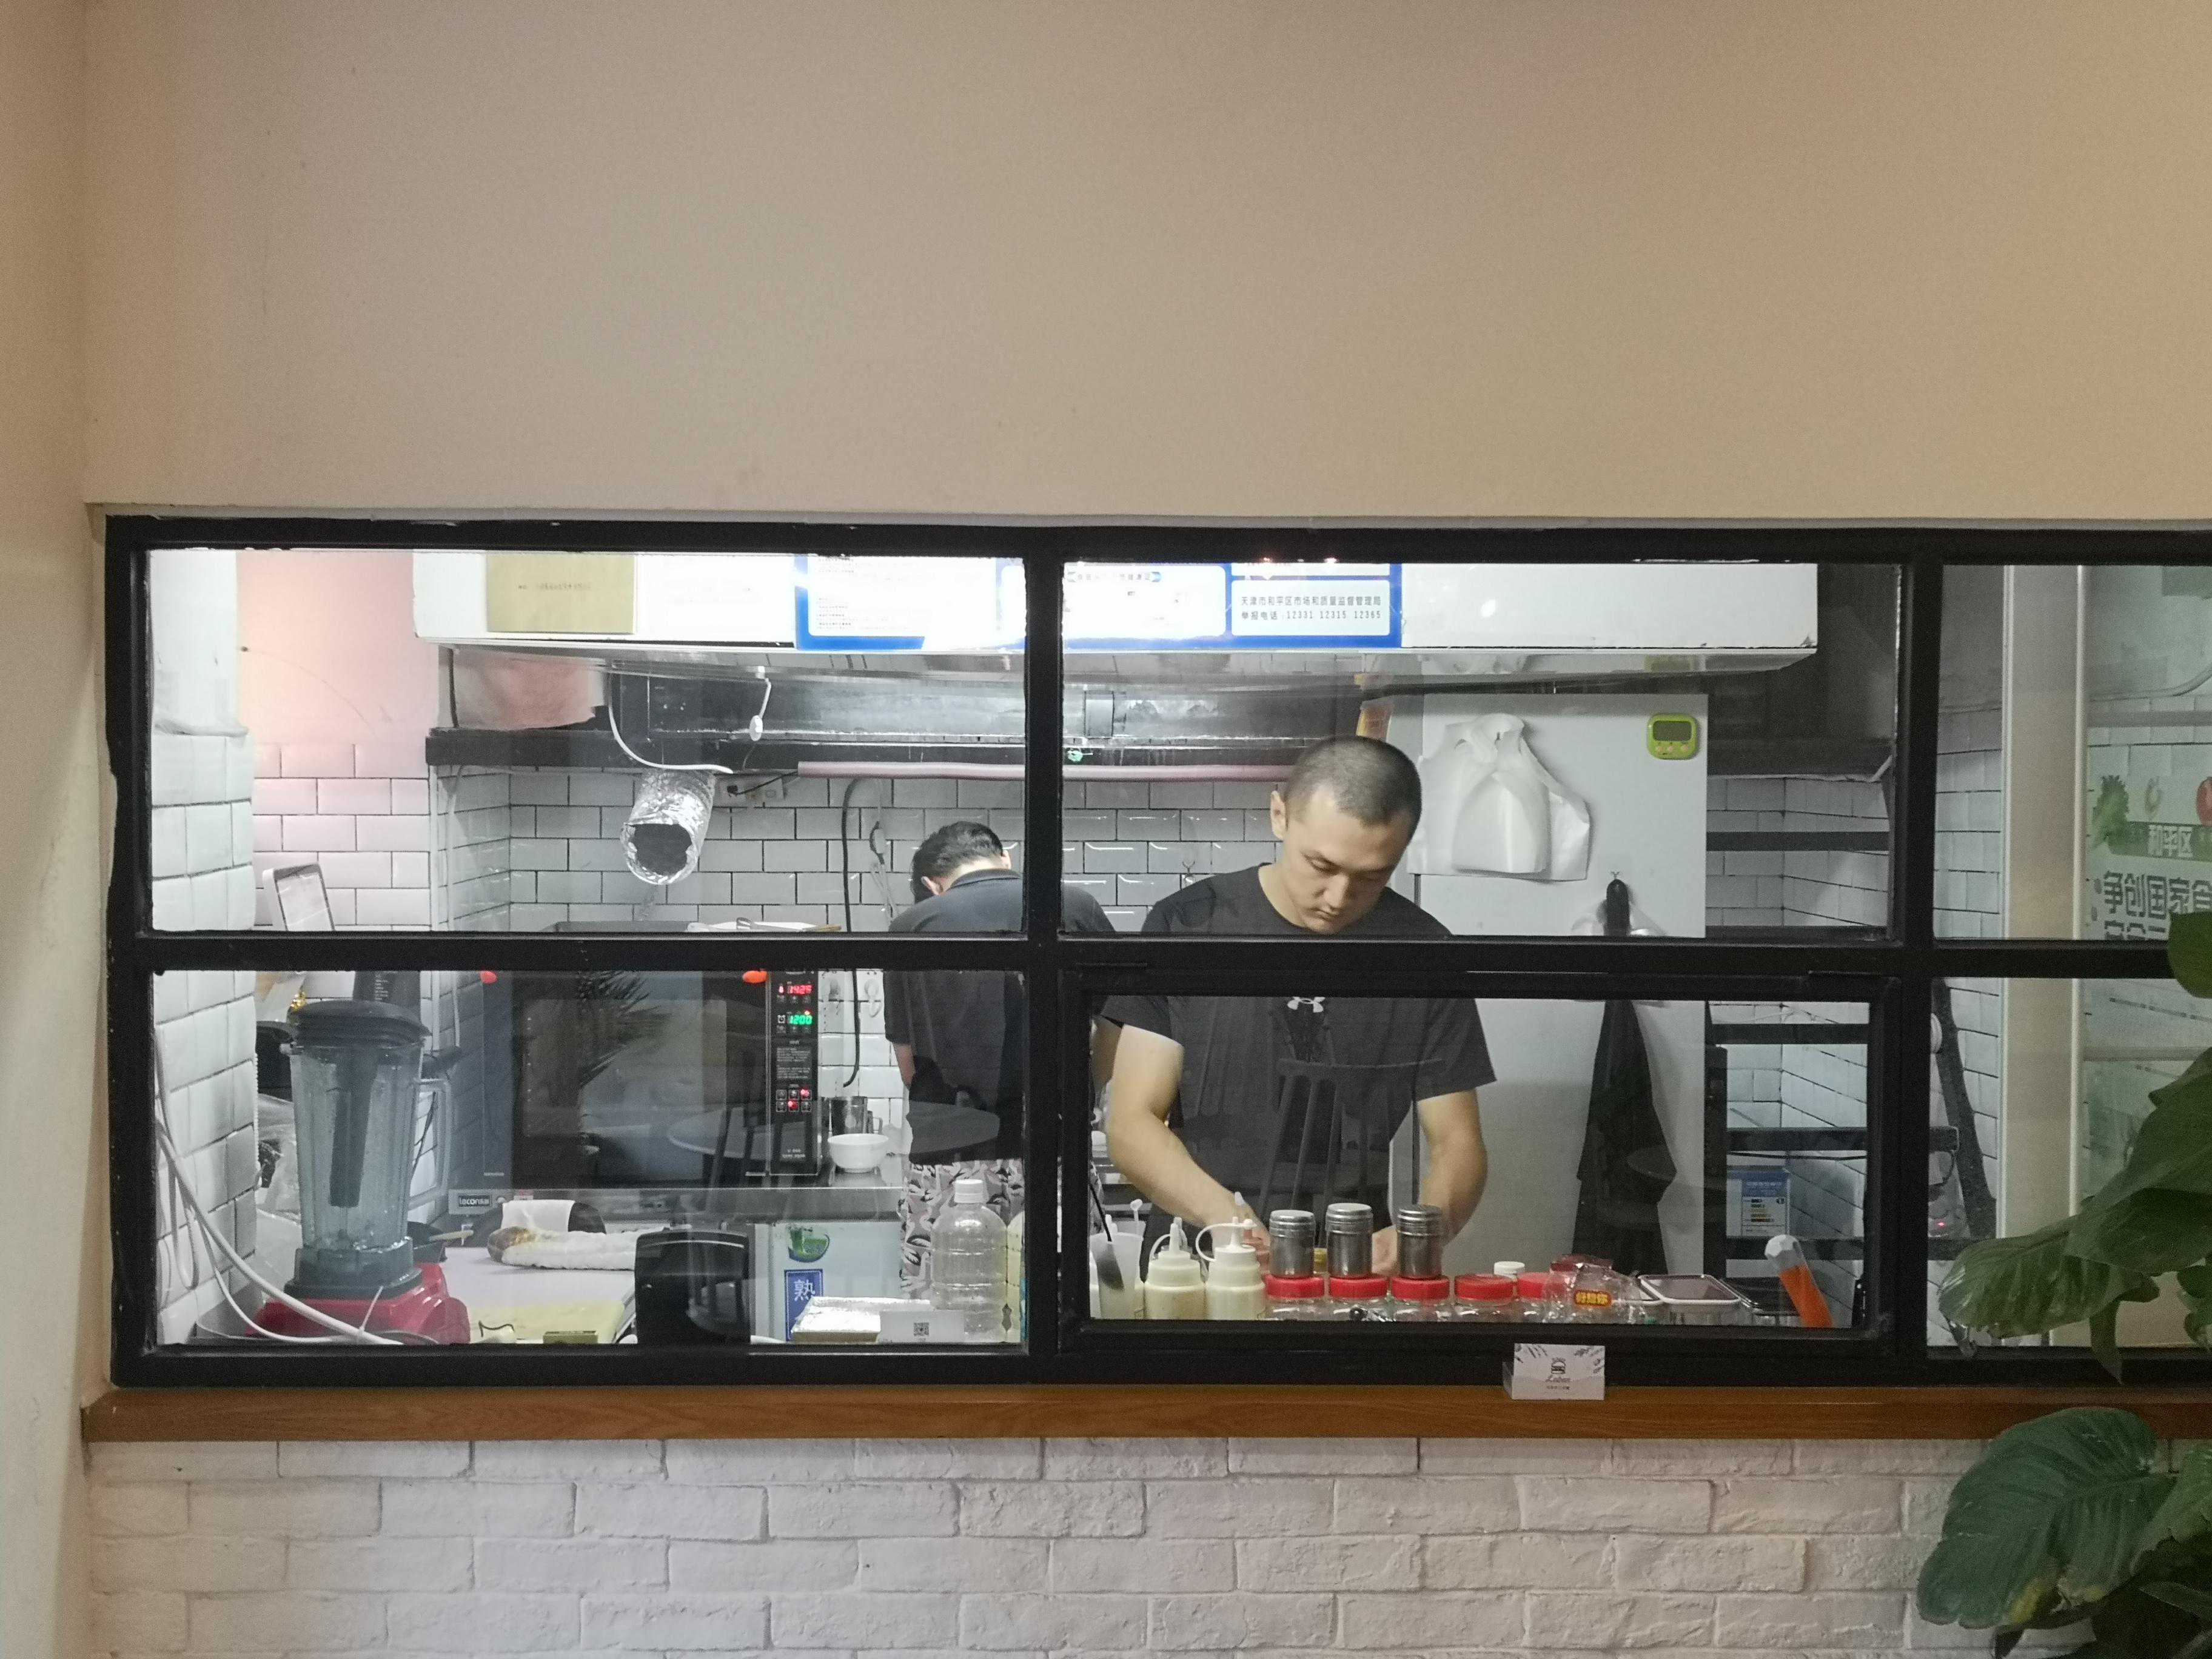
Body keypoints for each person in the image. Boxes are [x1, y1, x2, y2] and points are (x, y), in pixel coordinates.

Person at [1102, 737, 1491, 1276]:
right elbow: (1132, 1122)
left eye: (1372, 877)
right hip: (1196, 1255)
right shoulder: (1189, 926)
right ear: (1279, 815)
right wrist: (1226, 1220)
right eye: (1321, 865)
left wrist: (1424, 1232)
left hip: (1353, 1262)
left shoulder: (1422, 952)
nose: (1338, 897)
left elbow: (1457, 1143)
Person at [883, 820, 1118, 1289]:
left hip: (950, 1160)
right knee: (1062, 1301)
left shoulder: (911, 926)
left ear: (932, 884)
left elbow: (909, 1067)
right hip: (1057, 1152)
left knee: (951, 1305)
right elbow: (1116, 1025)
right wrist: (1086, 1085)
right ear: (1005, 858)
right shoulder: (1076, 907)